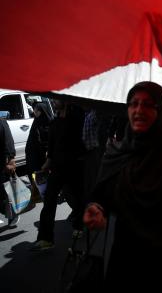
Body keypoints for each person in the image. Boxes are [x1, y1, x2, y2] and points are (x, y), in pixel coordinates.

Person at [83, 13, 162, 291]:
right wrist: (96, 207)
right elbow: (102, 193)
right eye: (133, 103)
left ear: (161, 111)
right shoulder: (117, 151)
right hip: (127, 258)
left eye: (148, 104)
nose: (139, 109)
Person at [31, 99, 86, 251]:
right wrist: (45, 166)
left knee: (77, 197)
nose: (54, 101)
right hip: (56, 168)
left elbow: (83, 144)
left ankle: (79, 226)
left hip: (74, 167)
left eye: (57, 98)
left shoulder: (77, 119)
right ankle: (45, 238)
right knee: (49, 201)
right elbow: (51, 148)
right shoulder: (54, 123)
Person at [0, 119, 17, 226]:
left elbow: (8, 141)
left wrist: (11, 158)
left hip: (2, 164)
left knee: (4, 192)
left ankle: (13, 215)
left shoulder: (1, 122)